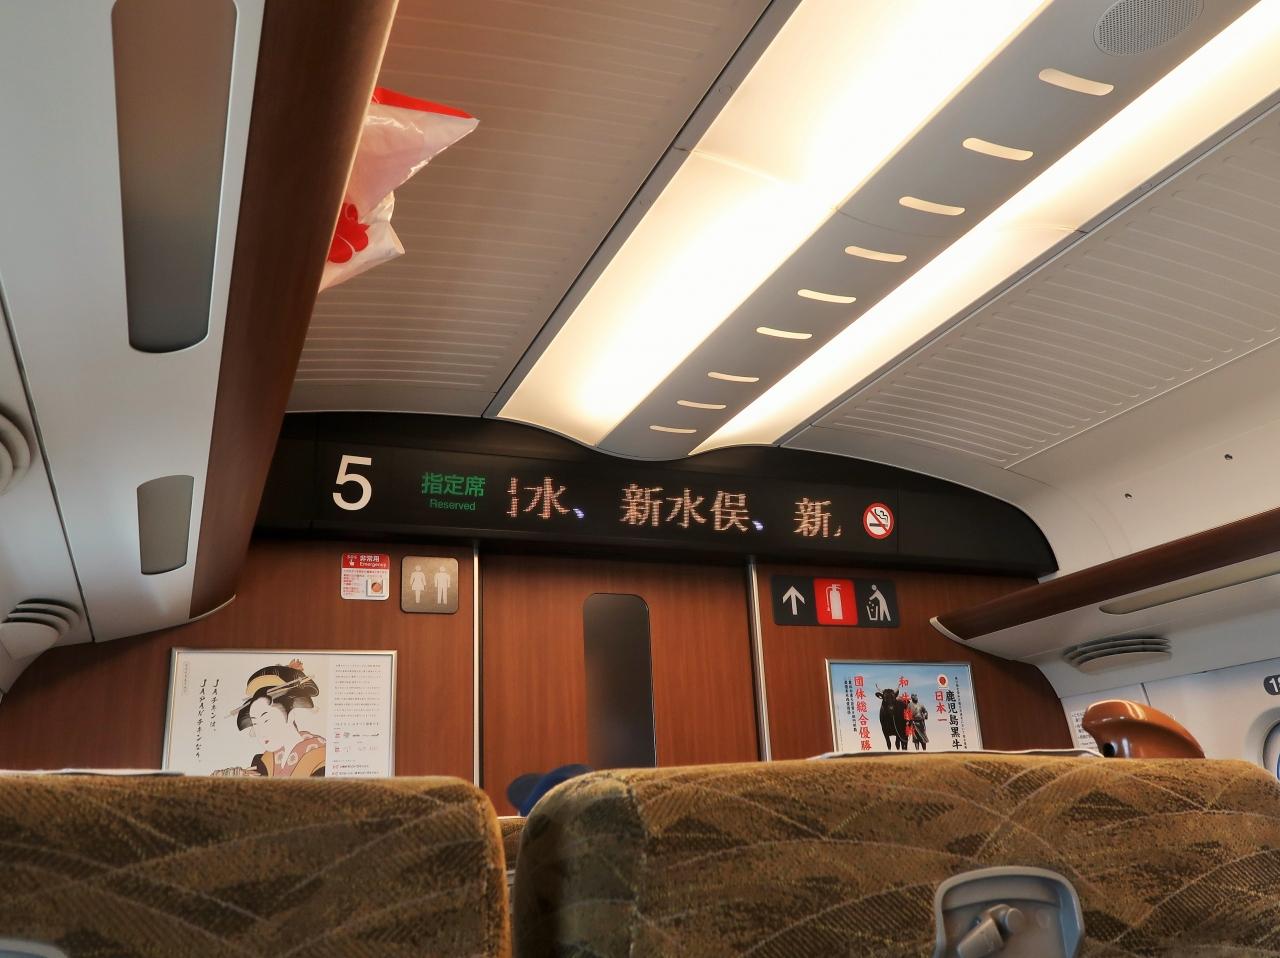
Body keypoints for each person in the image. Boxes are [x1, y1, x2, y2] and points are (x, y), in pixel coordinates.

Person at [212, 659, 326, 777]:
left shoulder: (320, 758)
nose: (261, 732)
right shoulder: (263, 763)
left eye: (266, 720)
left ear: (291, 715)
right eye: (255, 723)